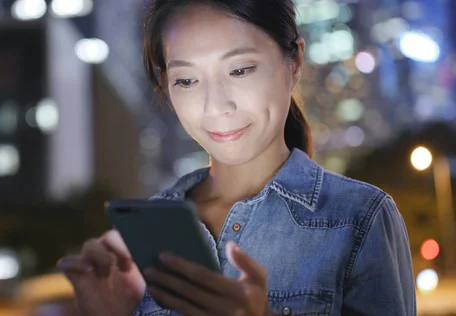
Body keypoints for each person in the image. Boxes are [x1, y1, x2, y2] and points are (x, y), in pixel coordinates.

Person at [58, 0, 416, 315]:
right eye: (186, 80)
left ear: (294, 62)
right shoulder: (141, 238)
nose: (216, 106)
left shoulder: (358, 218)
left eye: (240, 70)